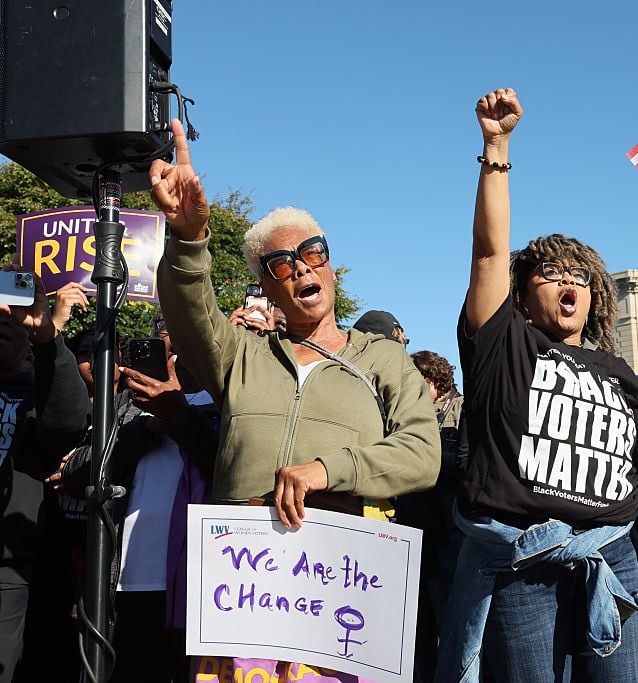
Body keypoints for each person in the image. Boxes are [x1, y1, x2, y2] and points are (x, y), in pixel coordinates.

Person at [149, 119, 441, 682]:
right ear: (268, 286)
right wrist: (188, 237)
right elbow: (190, 317)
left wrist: (328, 469)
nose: (302, 265)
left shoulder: (382, 358)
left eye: (313, 252)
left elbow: (423, 454)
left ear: (329, 264)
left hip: (340, 597)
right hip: (244, 591)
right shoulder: (242, 355)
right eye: (282, 263)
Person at [436, 87, 638, 683]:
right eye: (550, 275)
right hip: (521, 563)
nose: (568, 283)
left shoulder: (619, 372)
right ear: (522, 296)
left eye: (580, 276)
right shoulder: (503, 345)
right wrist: (496, 147)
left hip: (614, 555)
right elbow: (488, 253)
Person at [59, 315, 219, 683]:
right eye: (167, 349)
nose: (176, 359)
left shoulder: (227, 405)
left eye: (187, 347)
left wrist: (180, 416)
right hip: (121, 588)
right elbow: (77, 474)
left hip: (197, 593)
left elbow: (227, 467)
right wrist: (148, 426)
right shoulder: (126, 405)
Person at [0, 269, 90, 683]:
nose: (5, 312)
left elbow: (67, 425)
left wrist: (47, 336)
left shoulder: (41, 389)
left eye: (14, 302)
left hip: (9, 567)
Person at [402, 350, 465, 682]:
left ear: (435, 381)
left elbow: (469, 465)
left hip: (451, 536)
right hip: (415, 534)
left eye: (417, 383)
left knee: (451, 625)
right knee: (417, 629)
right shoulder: (408, 416)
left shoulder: (462, 410)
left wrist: (425, 460)